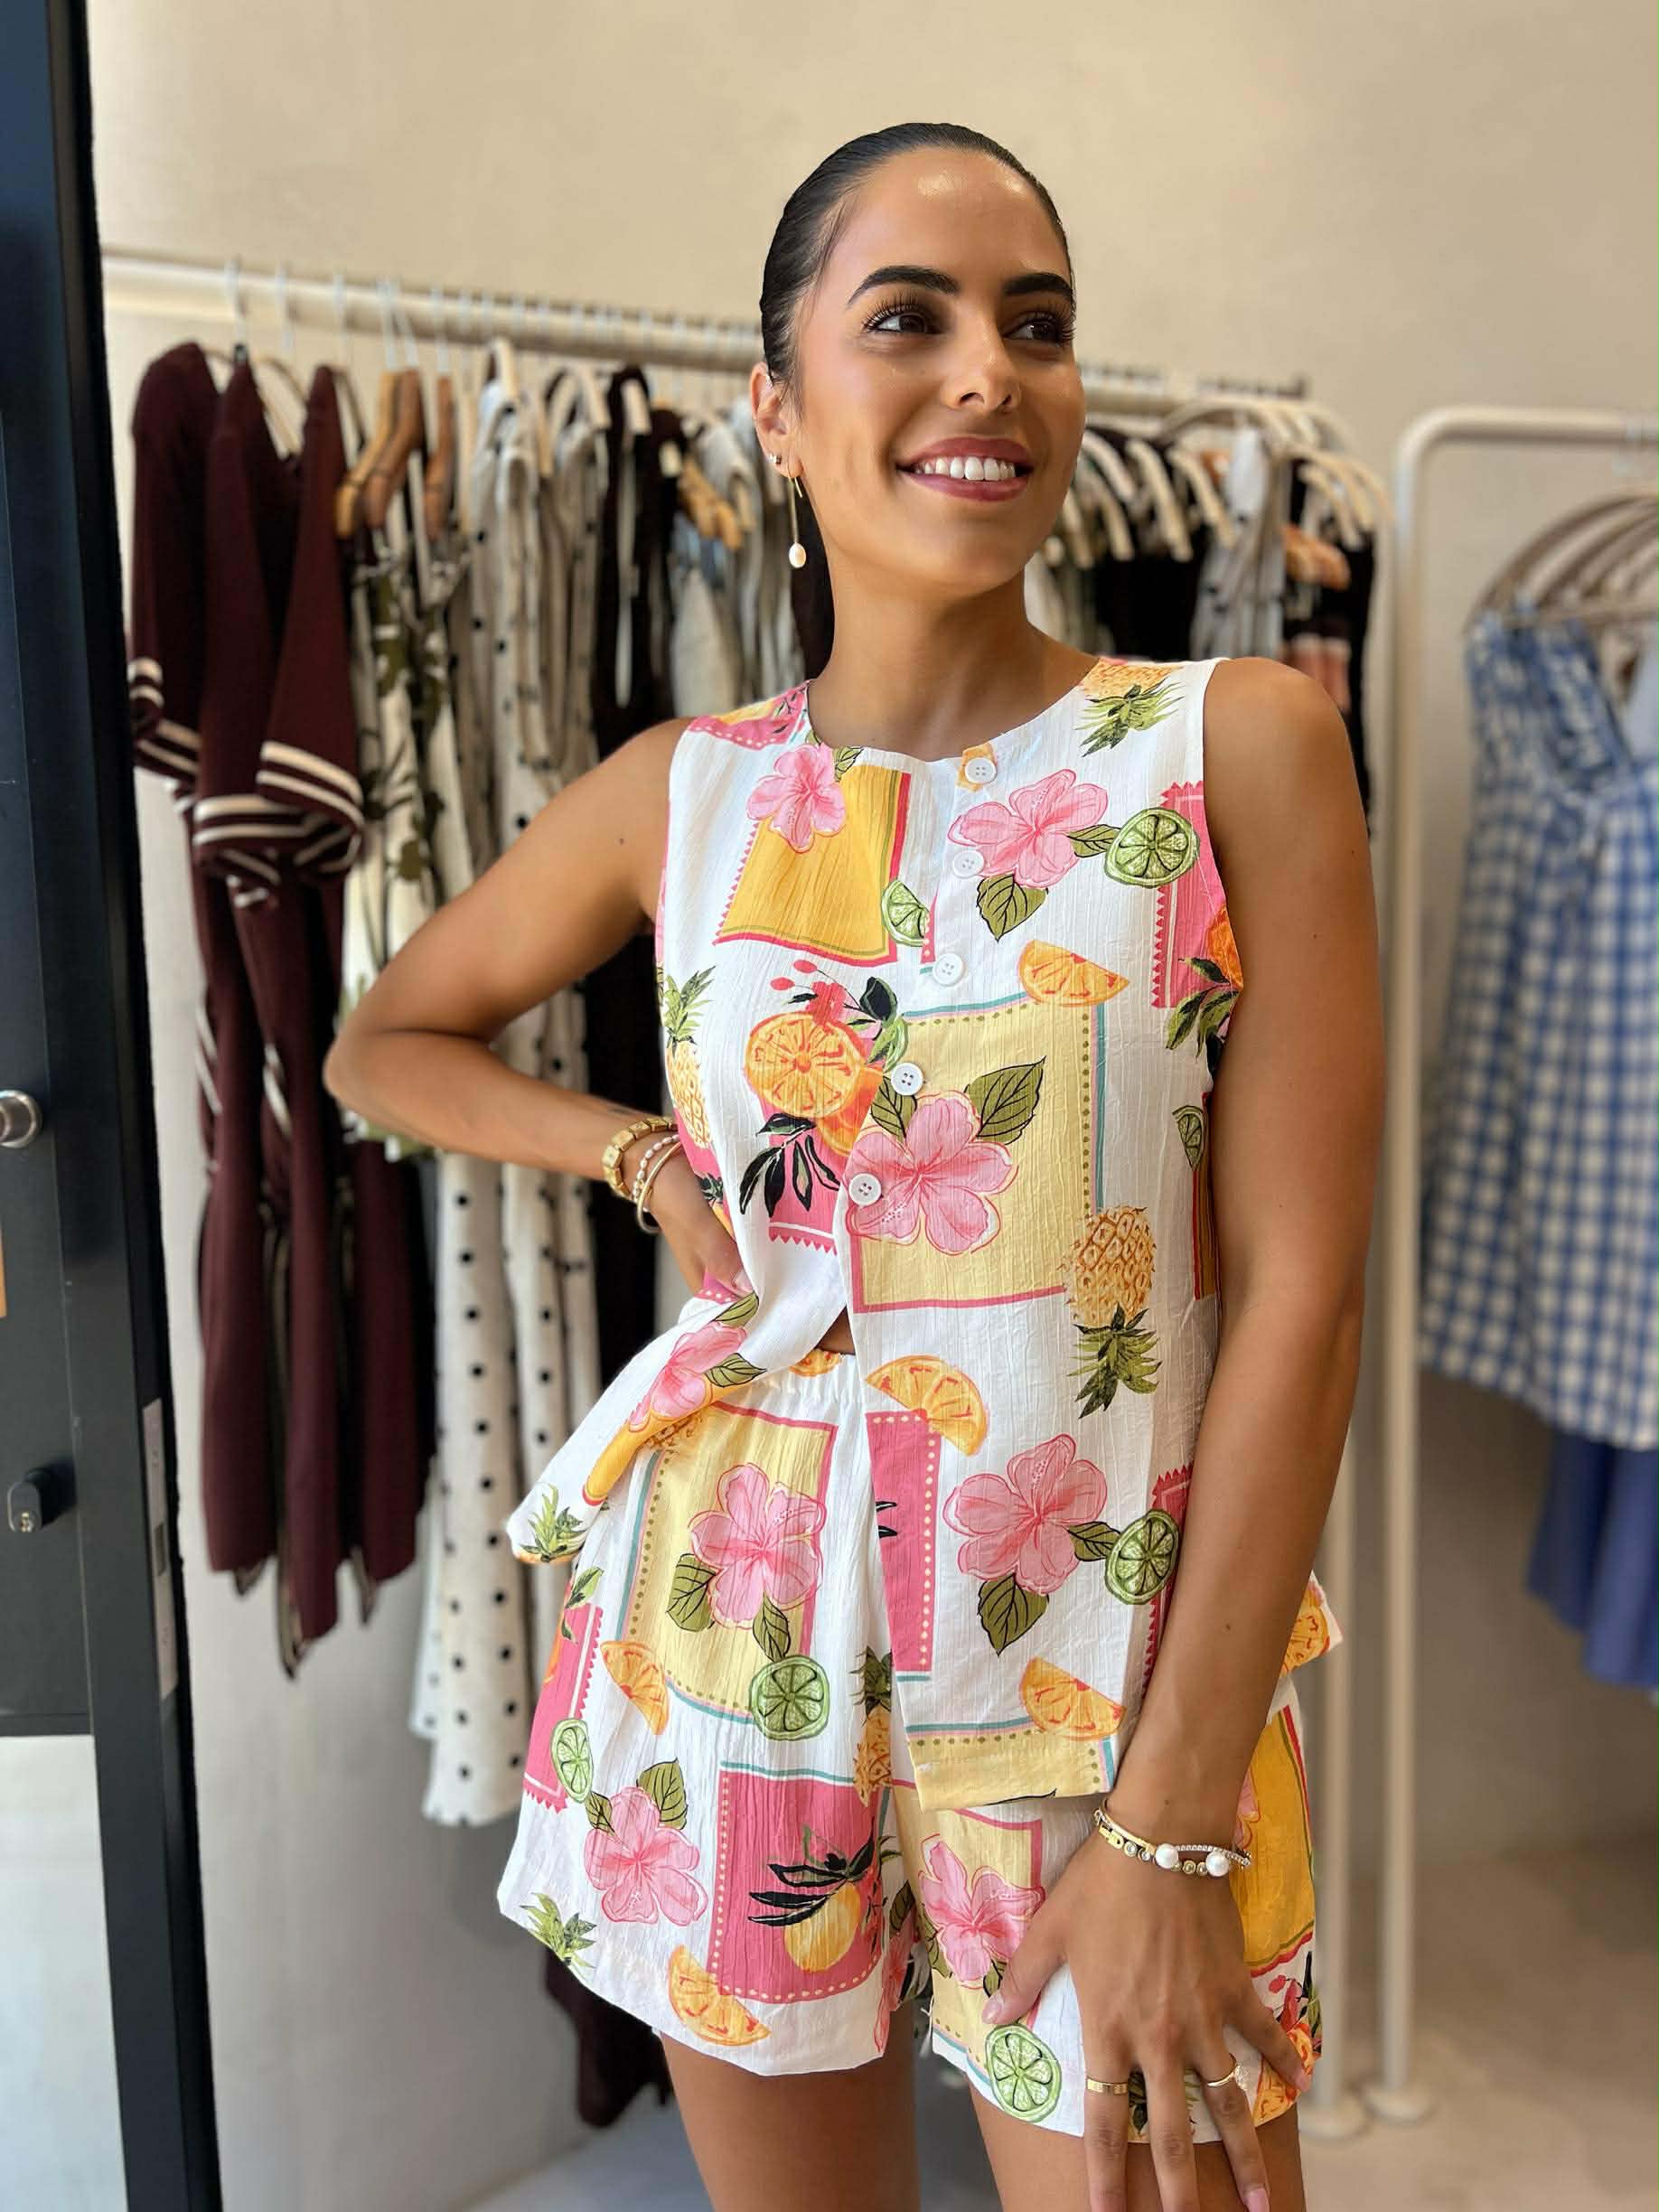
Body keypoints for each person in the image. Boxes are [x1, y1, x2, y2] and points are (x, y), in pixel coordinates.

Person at [326, 120, 1382, 2212]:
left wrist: (1173, 1826)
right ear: (777, 408)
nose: (990, 369)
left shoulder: (1229, 747)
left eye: (1037, 324)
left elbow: (1299, 1299)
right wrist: (636, 1153)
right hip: (733, 1645)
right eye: (909, 318)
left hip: (1105, 1690)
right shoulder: (684, 798)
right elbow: (386, 1041)